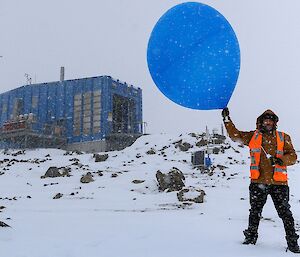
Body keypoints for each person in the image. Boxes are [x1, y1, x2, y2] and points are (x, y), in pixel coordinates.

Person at [222, 107, 300, 253]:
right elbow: (235, 135)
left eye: (271, 120)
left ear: (275, 122)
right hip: (258, 182)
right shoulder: (253, 136)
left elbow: (293, 157)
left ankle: (292, 243)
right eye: (266, 120)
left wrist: (280, 160)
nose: (268, 122)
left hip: (279, 184)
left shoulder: (284, 137)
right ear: (261, 122)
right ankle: (251, 238)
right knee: (255, 212)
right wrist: (227, 120)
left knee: (285, 214)